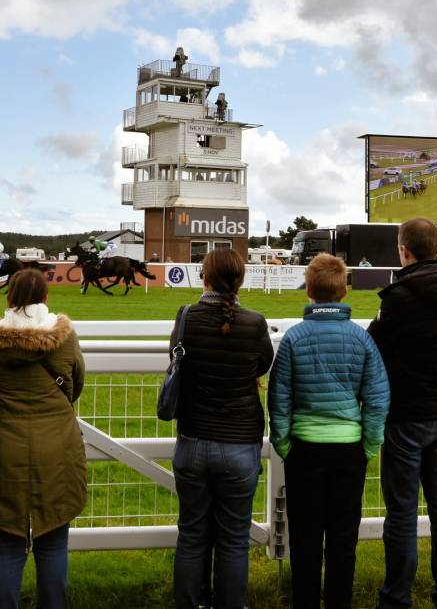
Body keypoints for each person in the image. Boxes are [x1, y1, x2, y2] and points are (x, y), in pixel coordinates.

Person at [268, 253, 389, 609]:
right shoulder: (362, 339)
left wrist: (284, 444)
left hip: (304, 449)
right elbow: (378, 398)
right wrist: (369, 445)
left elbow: (279, 399)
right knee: (342, 538)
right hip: (348, 450)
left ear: (309, 290)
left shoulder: (294, 338)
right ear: (344, 291)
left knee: (305, 538)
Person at [370, 217, 437, 609]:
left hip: (408, 415)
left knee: (402, 512)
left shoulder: (400, 295)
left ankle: (396, 597)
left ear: (403, 249)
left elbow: (375, 344)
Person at [0, 269, 86, 609]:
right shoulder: (65, 337)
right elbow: (75, 383)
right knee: (52, 544)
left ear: (10, 296)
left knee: (7, 547)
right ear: (45, 297)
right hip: (56, 447)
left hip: (3, 445)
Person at [171, 248, 274, 609]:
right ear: (240, 279)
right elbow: (262, 365)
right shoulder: (255, 322)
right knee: (232, 540)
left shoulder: (186, 317)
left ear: (205, 276)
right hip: (238, 445)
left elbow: (176, 360)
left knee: (192, 535)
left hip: (193, 441)